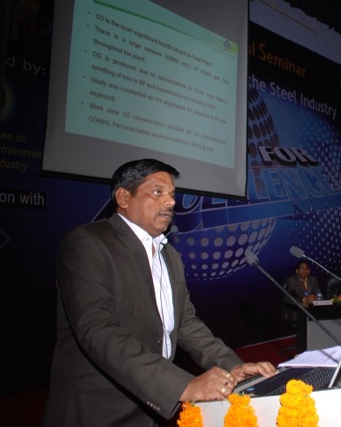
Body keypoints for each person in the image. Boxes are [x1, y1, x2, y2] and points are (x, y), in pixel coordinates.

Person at [43, 159, 276, 426]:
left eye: (172, 194)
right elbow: (98, 330)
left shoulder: (170, 255)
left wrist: (231, 366)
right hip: (98, 410)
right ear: (123, 197)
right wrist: (181, 386)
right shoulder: (88, 242)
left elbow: (186, 324)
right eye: (158, 192)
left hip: (152, 409)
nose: (171, 202)